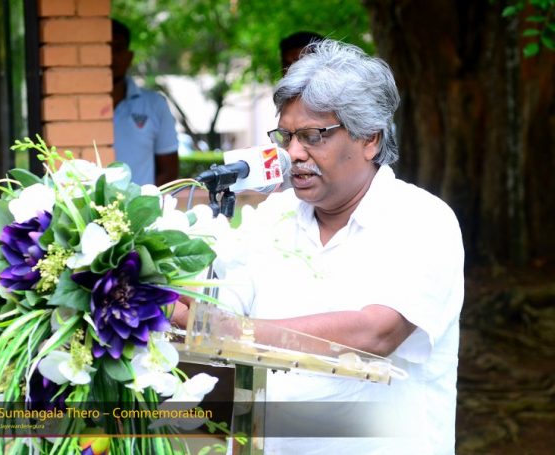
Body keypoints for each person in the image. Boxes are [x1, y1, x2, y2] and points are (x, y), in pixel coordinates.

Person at [174, 39, 464, 454]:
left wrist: (236, 330)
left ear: (369, 138)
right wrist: (145, 292)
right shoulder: (272, 217)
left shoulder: (422, 219)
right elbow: (218, 310)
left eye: (313, 136)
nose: (293, 153)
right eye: (287, 136)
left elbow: (377, 331)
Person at [111, 19, 179, 186]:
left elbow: (169, 171)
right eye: (105, 48)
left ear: (129, 57)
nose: (111, 56)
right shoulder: (74, 108)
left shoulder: (155, 105)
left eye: (117, 49)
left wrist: (141, 200)